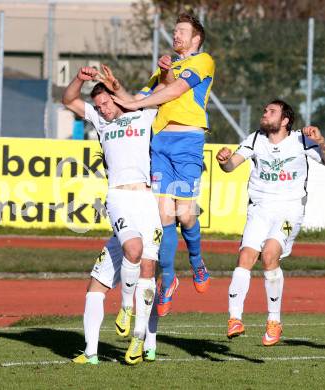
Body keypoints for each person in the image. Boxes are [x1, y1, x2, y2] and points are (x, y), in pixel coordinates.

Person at [107, 12, 216, 317]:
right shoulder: (164, 69)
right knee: (163, 215)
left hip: (187, 143)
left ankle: (197, 261)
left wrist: (137, 101)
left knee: (185, 213)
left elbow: (175, 91)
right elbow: (140, 98)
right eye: (175, 31)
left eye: (182, 31)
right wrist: (115, 89)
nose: (176, 35)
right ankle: (168, 280)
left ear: (196, 38)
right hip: (160, 144)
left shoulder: (203, 60)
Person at [62, 66, 162, 365]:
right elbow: (69, 99)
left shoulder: (141, 114)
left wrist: (120, 87)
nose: (103, 109)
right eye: (99, 105)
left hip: (146, 199)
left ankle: (139, 341)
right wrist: (81, 78)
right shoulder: (99, 121)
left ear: (117, 99)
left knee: (146, 271)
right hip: (118, 196)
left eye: (106, 102)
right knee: (134, 248)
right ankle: (99, 342)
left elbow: (164, 93)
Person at [216, 100, 325, 346]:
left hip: (289, 210)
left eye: (271, 112)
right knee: (245, 256)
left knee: (269, 256)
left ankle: (274, 321)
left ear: (285, 120)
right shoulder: (255, 139)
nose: (265, 114)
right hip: (259, 210)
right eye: (264, 110)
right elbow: (231, 165)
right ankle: (235, 319)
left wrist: (321, 141)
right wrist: (223, 160)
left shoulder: (301, 140)